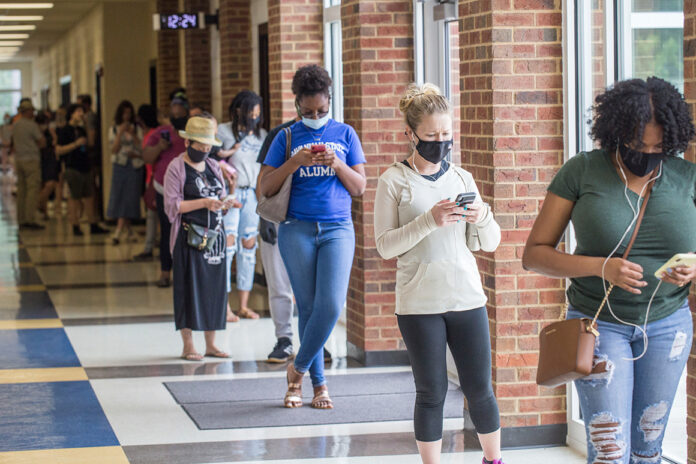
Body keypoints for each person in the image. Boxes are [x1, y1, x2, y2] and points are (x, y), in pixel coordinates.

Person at [522, 77, 696, 464]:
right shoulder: (582, 171)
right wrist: (602, 268)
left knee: (647, 451)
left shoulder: (687, 178)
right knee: (609, 452)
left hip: (668, 326)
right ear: (617, 133)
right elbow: (533, 255)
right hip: (600, 327)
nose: (648, 155)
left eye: (658, 147)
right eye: (637, 146)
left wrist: (690, 271)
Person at [374, 83, 503, 464]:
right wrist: (430, 220)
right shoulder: (392, 181)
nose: (441, 142)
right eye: (431, 136)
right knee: (431, 391)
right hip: (418, 303)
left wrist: (482, 215)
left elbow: (487, 244)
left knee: (480, 389)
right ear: (410, 135)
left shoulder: (462, 179)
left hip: (466, 297)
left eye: (447, 135)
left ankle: (493, 459)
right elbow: (385, 246)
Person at [260, 64, 366, 409]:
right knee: (306, 308)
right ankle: (318, 387)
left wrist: (337, 164)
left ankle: (298, 370)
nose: (316, 116)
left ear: (330, 102)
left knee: (331, 305)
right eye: (308, 112)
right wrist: (294, 162)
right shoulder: (286, 137)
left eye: (321, 110)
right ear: (297, 106)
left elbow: (360, 187)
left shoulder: (346, 134)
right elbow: (265, 187)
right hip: (296, 229)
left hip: (337, 228)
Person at [164, 115, 240, 361]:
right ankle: (188, 344)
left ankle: (211, 343)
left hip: (214, 237)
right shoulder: (176, 168)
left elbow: (220, 197)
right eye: (201, 148)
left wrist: (226, 202)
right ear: (189, 143)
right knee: (188, 289)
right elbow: (172, 206)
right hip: (189, 237)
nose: (205, 152)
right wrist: (204, 203)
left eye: (209, 148)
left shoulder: (214, 166)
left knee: (214, 290)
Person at [217, 90, 267, 320]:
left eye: (257, 115)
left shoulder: (262, 136)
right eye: (250, 114)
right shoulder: (223, 131)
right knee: (227, 247)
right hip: (231, 195)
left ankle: (243, 305)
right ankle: (224, 306)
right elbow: (214, 160)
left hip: (252, 196)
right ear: (238, 111)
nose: (253, 119)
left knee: (248, 248)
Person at [143, 94, 189, 287]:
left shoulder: (191, 135)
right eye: (174, 111)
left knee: (186, 233)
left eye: (181, 111)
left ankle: (184, 273)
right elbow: (146, 157)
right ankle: (165, 272)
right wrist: (160, 147)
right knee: (167, 231)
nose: (177, 114)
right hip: (163, 189)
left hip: (187, 191)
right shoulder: (161, 133)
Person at [55, 103, 109, 236]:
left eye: (82, 111)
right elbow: (59, 150)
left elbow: (90, 143)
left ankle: (92, 223)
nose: (81, 114)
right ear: (72, 114)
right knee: (75, 197)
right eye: (78, 111)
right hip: (72, 167)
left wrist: (88, 127)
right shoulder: (65, 130)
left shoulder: (82, 129)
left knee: (90, 196)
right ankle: (75, 224)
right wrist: (75, 144)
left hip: (85, 166)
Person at [107, 100, 144, 244]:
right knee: (119, 195)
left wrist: (133, 134)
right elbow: (113, 149)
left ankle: (122, 229)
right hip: (120, 165)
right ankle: (124, 229)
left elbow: (141, 146)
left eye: (129, 113)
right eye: (124, 113)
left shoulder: (137, 128)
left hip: (134, 165)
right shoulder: (114, 129)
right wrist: (121, 132)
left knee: (131, 196)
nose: (127, 116)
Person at [12, 100, 46, 229]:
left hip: (19, 159)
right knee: (32, 189)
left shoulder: (16, 125)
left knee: (22, 190)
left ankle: (21, 219)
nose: (34, 112)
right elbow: (41, 141)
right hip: (31, 159)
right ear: (27, 111)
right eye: (32, 110)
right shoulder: (31, 125)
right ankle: (30, 219)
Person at [133, 104, 161, 261]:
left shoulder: (153, 134)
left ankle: (149, 247)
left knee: (153, 215)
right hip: (149, 177)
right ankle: (152, 245)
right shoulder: (149, 134)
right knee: (153, 214)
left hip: (154, 178)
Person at [35, 112, 60, 219]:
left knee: (50, 184)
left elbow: (55, 142)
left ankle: (38, 203)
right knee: (42, 185)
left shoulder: (50, 132)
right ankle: (44, 211)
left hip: (50, 158)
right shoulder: (35, 133)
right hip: (39, 158)